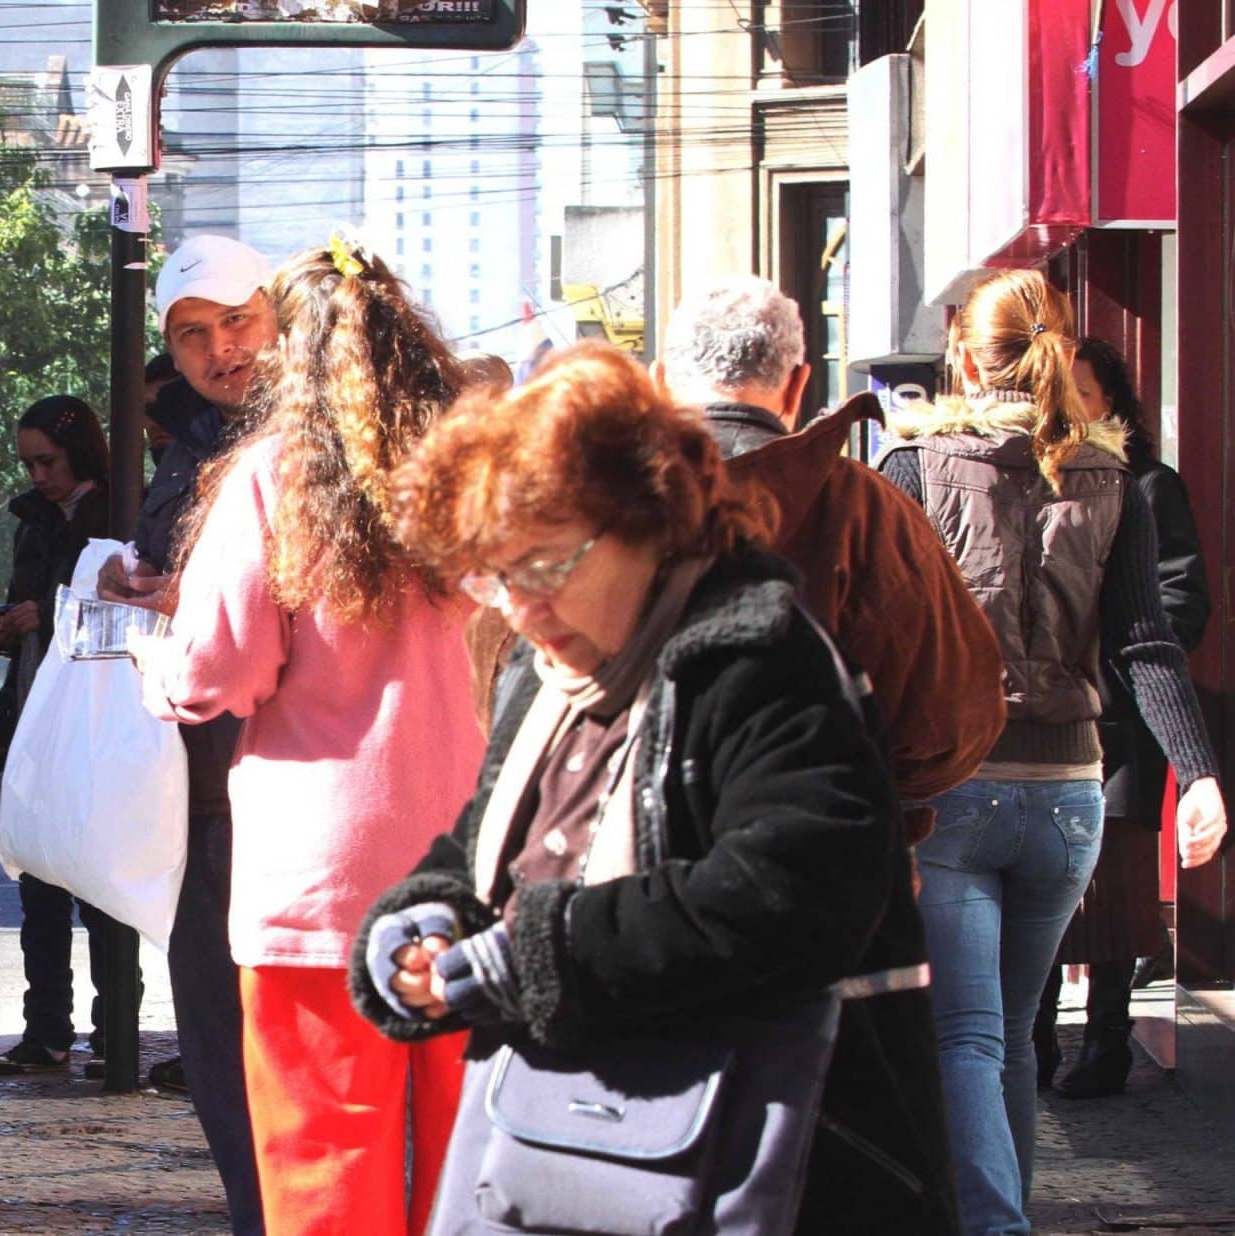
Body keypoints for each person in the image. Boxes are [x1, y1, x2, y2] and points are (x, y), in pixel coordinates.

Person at [352, 342, 960, 1236]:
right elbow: (489, 844)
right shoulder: (543, 670)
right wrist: (423, 922)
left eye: (546, 566)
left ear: (646, 522)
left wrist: (535, 956)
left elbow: (794, 896)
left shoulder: (762, 658)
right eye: (494, 575)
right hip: (555, 1148)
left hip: (755, 1161)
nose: (519, 606)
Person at [131, 239, 486, 1236]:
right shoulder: (470, 474)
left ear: (292, 349)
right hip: (466, 860)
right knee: (467, 1164)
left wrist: (154, 663)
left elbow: (215, 673)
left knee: (326, 1168)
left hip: (318, 882)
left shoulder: (271, 478)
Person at [877, 270, 1228, 1236]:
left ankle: (997, 1227)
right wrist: (1197, 772)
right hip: (1068, 792)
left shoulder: (911, 469)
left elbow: (877, 633)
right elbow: (1146, 639)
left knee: (968, 1038)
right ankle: (1009, 1213)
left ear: (962, 354)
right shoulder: (1116, 478)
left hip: (955, 786)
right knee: (1019, 1042)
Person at [654, 274, 1006, 840]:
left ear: (661, 381)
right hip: (823, 866)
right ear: (796, 387)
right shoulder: (867, 509)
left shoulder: (597, 507)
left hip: (626, 874)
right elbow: (953, 721)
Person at [97, 233, 277, 1235]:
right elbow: (170, 561)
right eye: (193, 334)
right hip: (195, 780)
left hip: (284, 780)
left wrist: (202, 604)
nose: (222, 348)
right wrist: (132, 579)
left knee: (278, 1040)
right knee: (213, 1033)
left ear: (276, 314)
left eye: (236, 320)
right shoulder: (189, 441)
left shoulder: (320, 435)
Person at [1032, 337, 1211, 1099]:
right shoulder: (1032, 475)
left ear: (1111, 399)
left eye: (1084, 391)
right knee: (1042, 886)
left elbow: (1181, 602)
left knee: (1114, 888)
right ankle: (1035, 1039)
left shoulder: (1147, 485)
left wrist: (1114, 647)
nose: (1071, 407)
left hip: (1125, 718)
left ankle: (1105, 1041)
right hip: (1047, 716)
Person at [0, 395, 138, 1077]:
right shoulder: (32, 521)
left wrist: (39, 612)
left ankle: (116, 1030)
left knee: (102, 896)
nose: (38, 475)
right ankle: (46, 1030)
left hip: (95, 721)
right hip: (33, 712)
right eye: (28, 463)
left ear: (79, 454)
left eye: (47, 461)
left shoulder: (117, 514)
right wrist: (8, 623)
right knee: (39, 889)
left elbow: (118, 611)